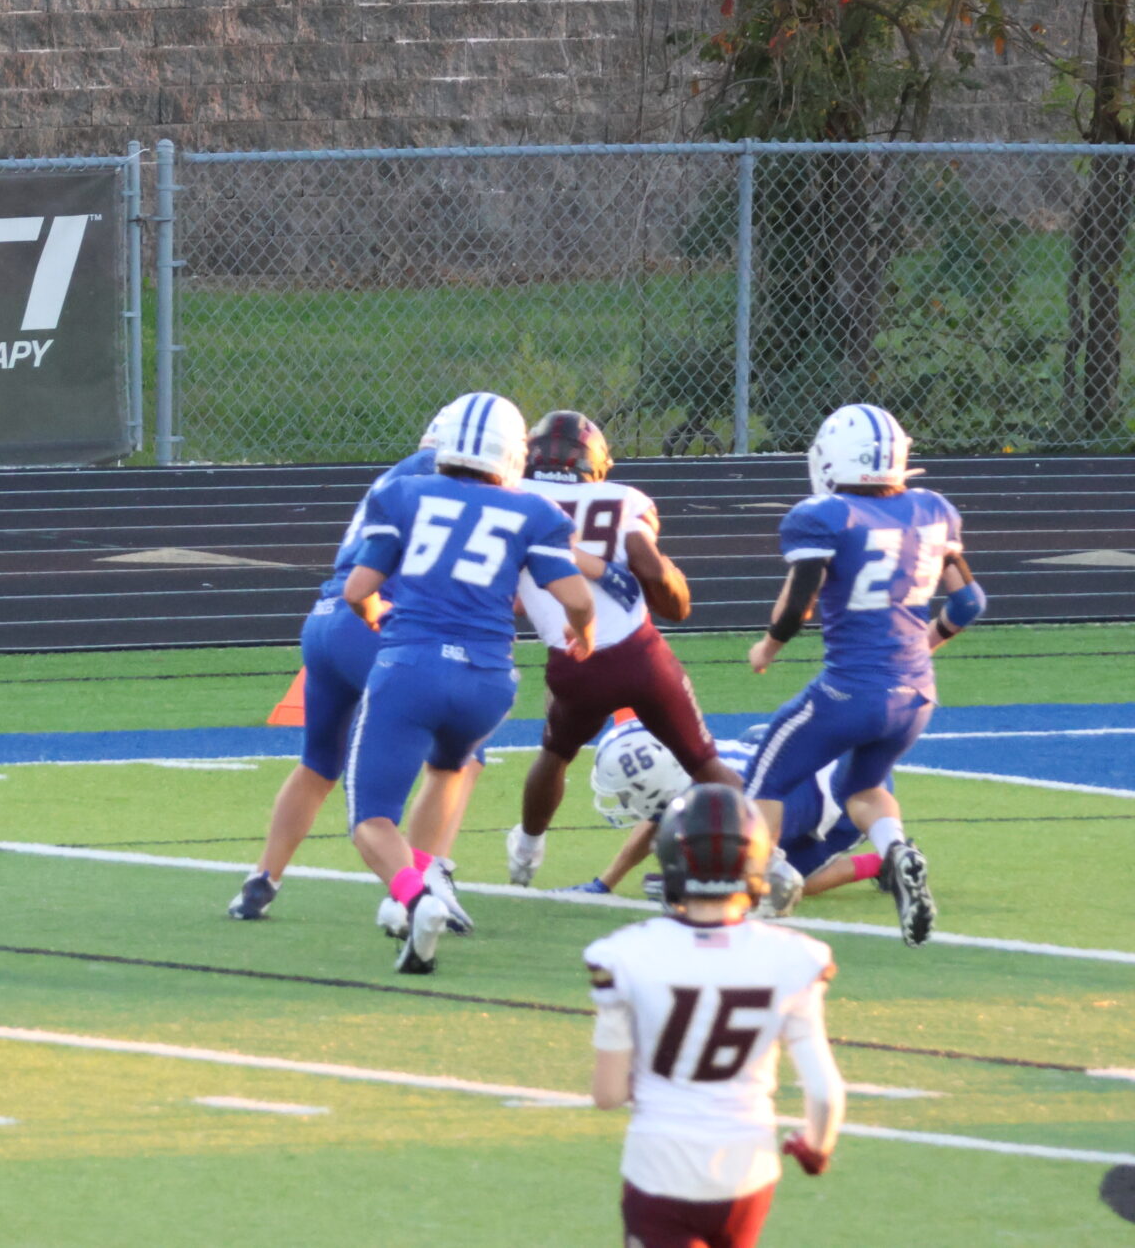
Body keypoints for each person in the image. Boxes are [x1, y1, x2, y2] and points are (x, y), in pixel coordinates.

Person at [341, 391, 596, 973]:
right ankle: (426, 875)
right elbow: (578, 600)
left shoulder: (403, 493)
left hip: (411, 668)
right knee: (448, 768)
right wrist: (585, 633)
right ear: (513, 453)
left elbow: (358, 589)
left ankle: (415, 897)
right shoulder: (535, 511)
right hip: (488, 682)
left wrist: (374, 612)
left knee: (371, 819)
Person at [743, 403, 983, 946]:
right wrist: (924, 644)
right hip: (915, 695)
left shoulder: (825, 516)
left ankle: (759, 890)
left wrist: (767, 647)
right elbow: (969, 602)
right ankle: (896, 851)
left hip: (848, 690)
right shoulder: (933, 509)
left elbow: (798, 604)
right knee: (862, 786)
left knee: (765, 779)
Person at [584, 784, 844, 1248]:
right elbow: (824, 1090)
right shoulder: (793, 958)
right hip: (747, 1167)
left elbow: (608, 1094)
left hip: (659, 1166)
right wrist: (816, 1148)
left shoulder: (625, 954)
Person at [230, 412, 454, 922]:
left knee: (318, 763)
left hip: (324, 621)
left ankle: (262, 879)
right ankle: (422, 888)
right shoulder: (437, 477)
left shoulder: (401, 473)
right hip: (370, 623)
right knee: (456, 755)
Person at [505, 410, 735, 889]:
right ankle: (771, 857)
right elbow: (653, 574)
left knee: (555, 753)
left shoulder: (511, 498)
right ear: (593, 460)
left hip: (573, 664)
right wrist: (674, 591)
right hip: (639, 657)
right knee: (704, 762)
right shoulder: (623, 500)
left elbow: (510, 591)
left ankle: (526, 851)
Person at [575, 722, 891, 907]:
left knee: (784, 884)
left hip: (851, 799)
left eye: (628, 791)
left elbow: (760, 875)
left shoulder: (733, 802)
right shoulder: (685, 772)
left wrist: (692, 884)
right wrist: (604, 883)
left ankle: (883, 863)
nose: (624, 800)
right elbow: (655, 822)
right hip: (804, 768)